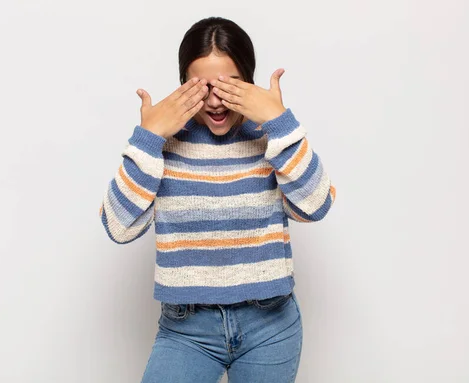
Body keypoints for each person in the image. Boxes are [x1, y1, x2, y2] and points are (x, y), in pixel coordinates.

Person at [99, 16, 336, 383]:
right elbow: (118, 227)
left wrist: (281, 123)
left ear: (250, 84)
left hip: (270, 325)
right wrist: (148, 137)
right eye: (202, 86)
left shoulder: (272, 138)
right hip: (187, 329)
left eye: (229, 85)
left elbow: (317, 204)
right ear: (183, 86)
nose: (215, 101)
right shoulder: (162, 143)